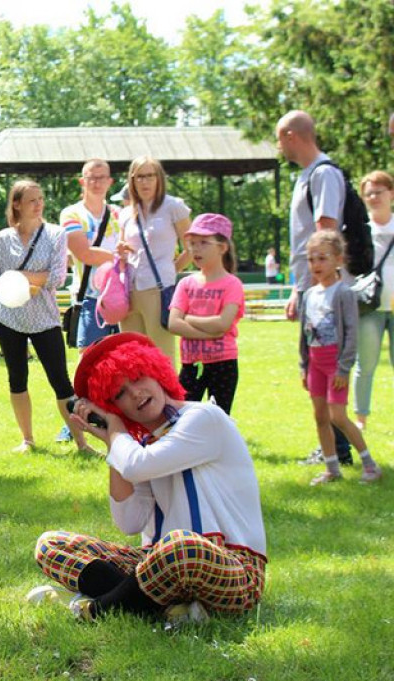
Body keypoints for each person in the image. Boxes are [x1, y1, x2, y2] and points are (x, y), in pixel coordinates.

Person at [30, 333, 267, 624]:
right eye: (119, 395)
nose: (135, 393)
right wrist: (113, 441)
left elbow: (138, 466)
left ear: (156, 371)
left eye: (138, 377)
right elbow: (129, 522)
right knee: (51, 545)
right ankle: (165, 610)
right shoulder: (137, 447)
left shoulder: (204, 417)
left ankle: (97, 608)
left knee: (182, 546)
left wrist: (117, 432)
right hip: (157, 564)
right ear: (112, 406)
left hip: (230, 567)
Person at [0, 180, 89, 453]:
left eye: (41, 199)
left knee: (61, 382)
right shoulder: (1, 239)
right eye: (32, 200)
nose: (39, 204)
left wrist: (16, 278)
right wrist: (16, 283)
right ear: (16, 204)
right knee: (17, 379)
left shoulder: (55, 234)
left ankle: (82, 443)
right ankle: (27, 440)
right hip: (9, 319)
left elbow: (56, 277)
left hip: (45, 319)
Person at [275, 110, 353, 465]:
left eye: (279, 138)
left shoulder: (323, 174)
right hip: (311, 285)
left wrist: (303, 287)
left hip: (322, 288)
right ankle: (332, 448)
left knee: (327, 361)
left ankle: (340, 449)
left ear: (292, 135)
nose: (279, 146)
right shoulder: (307, 175)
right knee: (315, 363)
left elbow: (325, 231)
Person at [299, 232, 382, 485]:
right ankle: (331, 468)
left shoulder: (343, 293)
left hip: (335, 365)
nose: (316, 265)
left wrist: (343, 368)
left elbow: (351, 332)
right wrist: (304, 365)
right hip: (315, 365)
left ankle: (369, 464)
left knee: (338, 416)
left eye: (322, 258)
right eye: (311, 259)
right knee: (321, 417)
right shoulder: (309, 295)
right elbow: (303, 334)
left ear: (338, 259)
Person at [116, 156, 192, 363]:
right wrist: (120, 250)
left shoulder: (174, 206)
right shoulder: (125, 214)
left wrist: (170, 270)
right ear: (132, 180)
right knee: (132, 355)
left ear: (159, 178)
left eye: (150, 176)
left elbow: (192, 248)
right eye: (139, 177)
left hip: (159, 288)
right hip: (128, 291)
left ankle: (167, 396)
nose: (144, 182)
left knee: (161, 355)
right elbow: (122, 251)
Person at [167, 214, 244, 415]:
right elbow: (173, 323)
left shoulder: (232, 284)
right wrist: (210, 331)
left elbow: (223, 324)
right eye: (192, 243)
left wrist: (189, 318)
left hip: (223, 364)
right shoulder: (185, 284)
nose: (196, 249)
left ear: (222, 247)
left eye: (203, 242)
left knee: (219, 417)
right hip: (191, 364)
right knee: (181, 417)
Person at [61, 159, 122, 350]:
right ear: (82, 181)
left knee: (126, 356)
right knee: (89, 355)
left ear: (110, 182)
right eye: (91, 178)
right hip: (90, 296)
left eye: (102, 178)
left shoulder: (119, 213)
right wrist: (117, 257)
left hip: (122, 296)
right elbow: (83, 254)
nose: (97, 183)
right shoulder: (71, 214)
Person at [352, 170, 394, 432]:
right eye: (368, 193)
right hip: (370, 308)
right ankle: (361, 419)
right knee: (365, 363)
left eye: (378, 191)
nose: (373, 197)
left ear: (391, 193)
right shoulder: (361, 231)